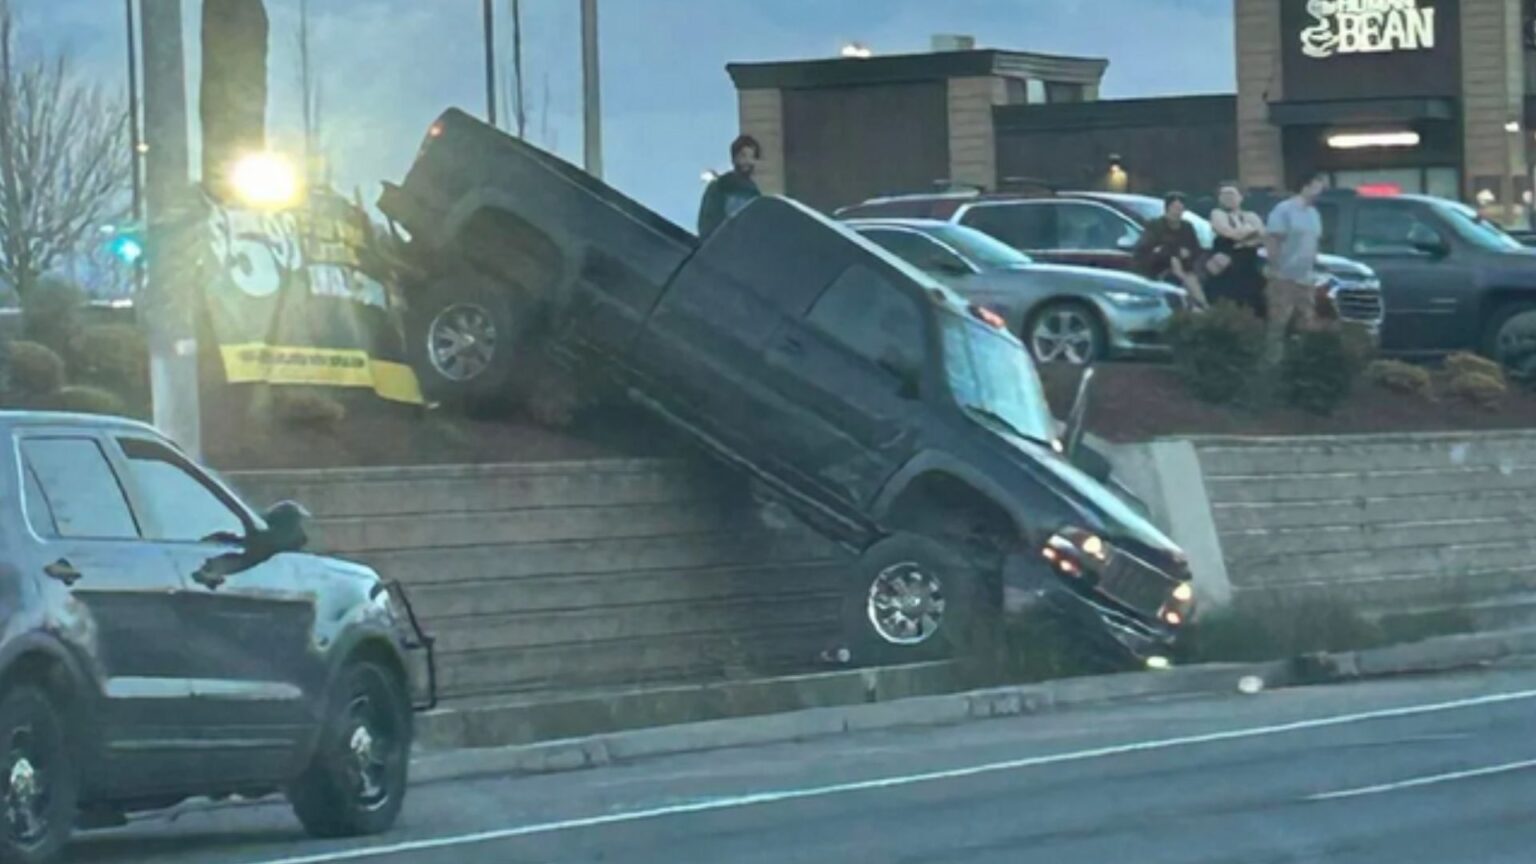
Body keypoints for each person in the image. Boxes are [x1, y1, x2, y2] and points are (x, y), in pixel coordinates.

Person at [1264, 171, 1328, 361]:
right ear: (1306, 185)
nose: (1322, 189)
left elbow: (1314, 243)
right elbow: (1273, 240)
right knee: (1279, 323)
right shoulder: (1284, 210)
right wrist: (1275, 269)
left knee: (1307, 321)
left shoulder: (1314, 213)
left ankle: (1302, 362)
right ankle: (1273, 365)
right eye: (1318, 184)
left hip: (1306, 277)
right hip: (1284, 276)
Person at [1134, 192, 1208, 307]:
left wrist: (1189, 253)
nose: (1177, 211)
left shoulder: (1187, 227)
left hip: (1186, 264)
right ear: (1167, 208)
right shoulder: (1156, 225)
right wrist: (1174, 253)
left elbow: (1195, 248)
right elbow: (1147, 248)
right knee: (1180, 269)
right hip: (1159, 265)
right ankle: (1201, 305)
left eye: (1180, 208)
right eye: (1174, 208)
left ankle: (1200, 304)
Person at [1206, 183, 1267, 318]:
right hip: (1226, 269)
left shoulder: (1251, 215)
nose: (1228, 198)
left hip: (1249, 266)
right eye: (1224, 195)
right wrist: (1248, 234)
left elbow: (1262, 236)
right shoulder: (1217, 213)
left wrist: (1241, 239)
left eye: (1232, 194)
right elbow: (1228, 233)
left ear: (1241, 197)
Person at [697, 134, 762, 238]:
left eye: (752, 157)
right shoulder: (719, 187)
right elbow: (706, 226)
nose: (748, 161)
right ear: (734, 159)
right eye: (743, 156)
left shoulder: (755, 195)